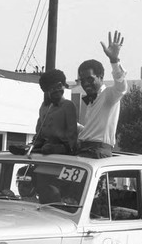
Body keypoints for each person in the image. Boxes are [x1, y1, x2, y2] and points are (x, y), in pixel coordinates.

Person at [76, 30, 127, 159]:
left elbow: (122, 86)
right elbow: (92, 132)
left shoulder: (110, 94)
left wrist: (114, 60)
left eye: (90, 79)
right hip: (84, 148)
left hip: (96, 152)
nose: (86, 84)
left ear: (100, 77)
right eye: (82, 80)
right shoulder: (92, 100)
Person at [32, 69, 78, 154]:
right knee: (32, 150)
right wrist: (34, 145)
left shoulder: (68, 105)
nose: (56, 90)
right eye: (52, 88)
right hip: (45, 145)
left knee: (47, 149)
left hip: (62, 147)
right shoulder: (44, 107)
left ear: (63, 85)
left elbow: (72, 134)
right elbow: (39, 131)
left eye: (59, 86)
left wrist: (71, 151)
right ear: (46, 90)